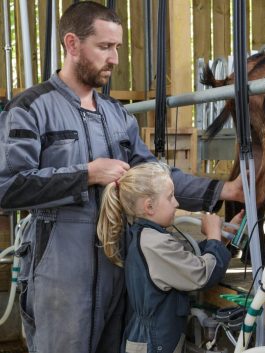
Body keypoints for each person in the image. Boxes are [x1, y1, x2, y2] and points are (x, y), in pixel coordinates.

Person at [0, 2, 243, 353]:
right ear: (72, 44)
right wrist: (86, 174)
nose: (114, 58)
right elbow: (9, 186)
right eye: (104, 47)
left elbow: (157, 177)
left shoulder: (117, 116)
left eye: (117, 48)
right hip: (61, 279)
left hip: (119, 273)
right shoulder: (30, 108)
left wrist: (225, 188)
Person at [97, 162, 243, 353]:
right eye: (170, 197)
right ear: (149, 206)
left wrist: (220, 238)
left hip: (153, 340)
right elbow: (202, 274)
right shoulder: (155, 244)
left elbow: (185, 261)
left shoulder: (149, 237)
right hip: (155, 344)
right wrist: (213, 235)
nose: (177, 203)